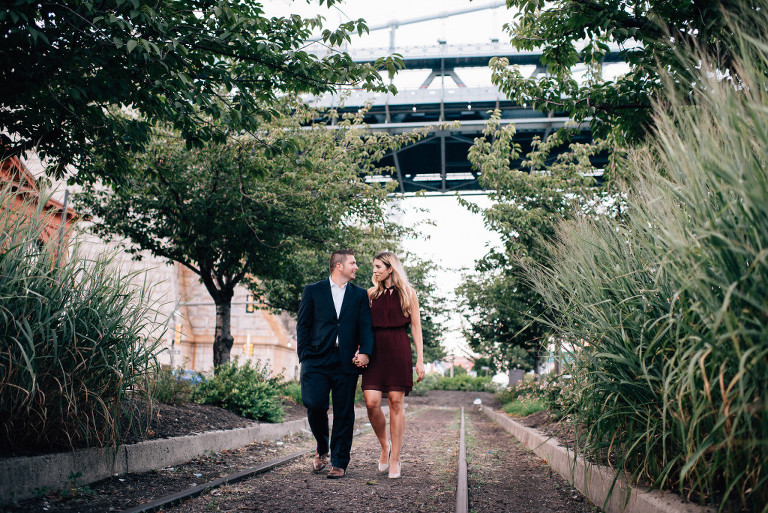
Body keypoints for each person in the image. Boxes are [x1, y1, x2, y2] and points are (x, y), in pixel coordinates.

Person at [296, 249, 374, 479]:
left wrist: (366, 352)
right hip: (316, 359)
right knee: (314, 404)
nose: (356, 267)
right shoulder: (313, 291)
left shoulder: (359, 295)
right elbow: (303, 325)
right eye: (353, 263)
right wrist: (304, 354)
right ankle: (322, 447)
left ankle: (339, 461)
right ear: (338, 266)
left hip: (346, 360)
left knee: (343, 412)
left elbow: (366, 327)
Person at [356, 251, 425, 479]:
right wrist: (360, 349)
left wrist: (420, 360)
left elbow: (416, 327)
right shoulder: (370, 294)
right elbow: (362, 326)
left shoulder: (408, 293)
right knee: (371, 403)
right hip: (375, 351)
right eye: (374, 267)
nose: (374, 271)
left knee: (396, 402)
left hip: (398, 349)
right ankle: (385, 445)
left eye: (378, 266)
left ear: (390, 268)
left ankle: (395, 458)